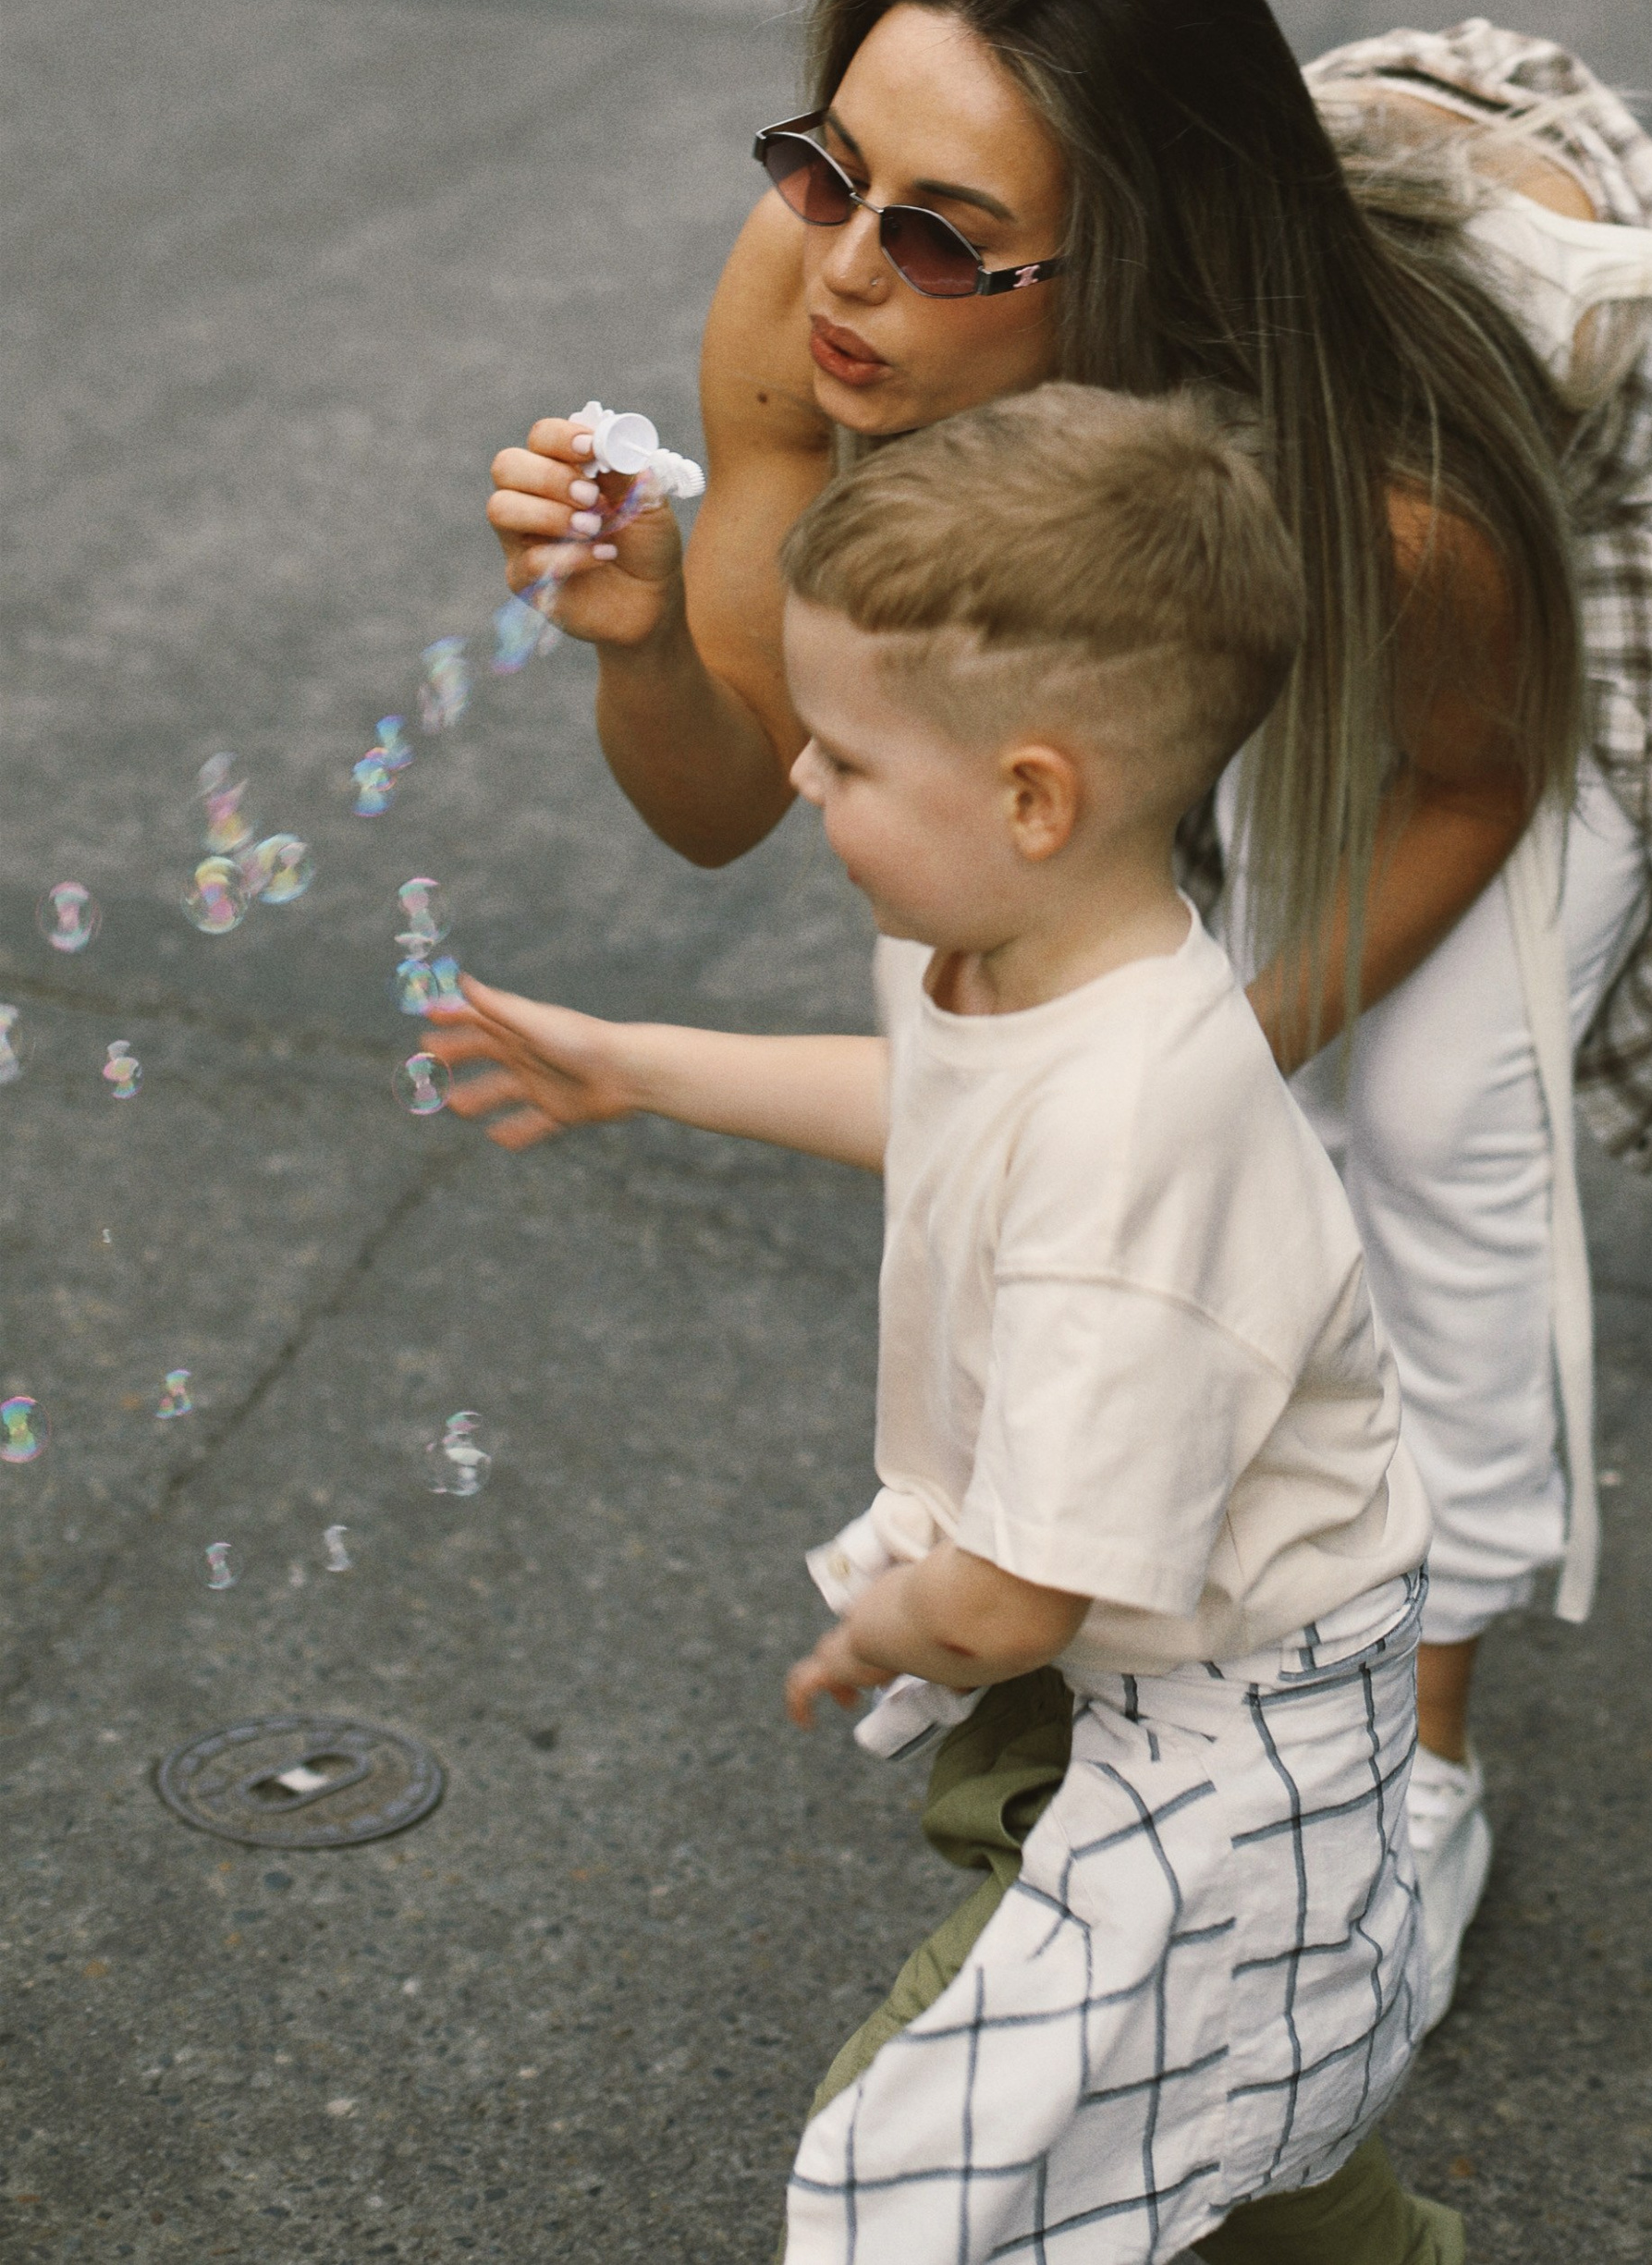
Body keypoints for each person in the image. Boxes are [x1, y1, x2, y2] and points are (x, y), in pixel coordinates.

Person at [486, 0, 1652, 2021]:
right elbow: (734, 793)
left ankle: (1422, 1758)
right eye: (826, 167)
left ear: (1112, 270)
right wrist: (637, 644)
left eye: (938, 235)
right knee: (1189, 1034)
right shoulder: (808, 296)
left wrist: (1221, 1054)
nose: (846, 269)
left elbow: (1465, 776)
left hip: (1623, 463)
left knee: (1411, 1101)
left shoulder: (1380, 503)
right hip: (1169, 457)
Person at [435, 389, 1457, 2265]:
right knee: (1235, 2095)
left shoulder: (1139, 1144)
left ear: (1030, 793)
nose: (801, 786)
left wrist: (877, 1628)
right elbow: (935, 1103)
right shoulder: (1000, 948)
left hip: (1220, 1725)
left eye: (837, 756)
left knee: (912, 2159)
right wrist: (637, 1068)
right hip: (1123, 1646)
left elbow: (1009, 1599)